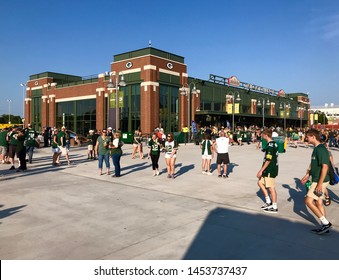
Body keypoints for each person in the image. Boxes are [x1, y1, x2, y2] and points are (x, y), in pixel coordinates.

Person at [300, 129, 332, 234]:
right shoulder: (316, 148)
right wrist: (307, 175)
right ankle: (325, 226)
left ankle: (326, 223)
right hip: (316, 179)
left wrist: (319, 184)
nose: (306, 138)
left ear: (313, 137)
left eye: (307, 137)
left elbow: (325, 167)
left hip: (320, 180)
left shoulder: (321, 149)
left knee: (308, 201)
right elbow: (314, 165)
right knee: (318, 202)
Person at [257, 128, 279, 214]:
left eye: (263, 135)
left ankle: (274, 206)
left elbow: (268, 159)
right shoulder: (273, 144)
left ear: (266, 135)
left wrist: (261, 170)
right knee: (260, 183)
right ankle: (268, 201)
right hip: (268, 169)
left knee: (271, 187)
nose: (262, 137)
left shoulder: (270, 146)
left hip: (270, 169)